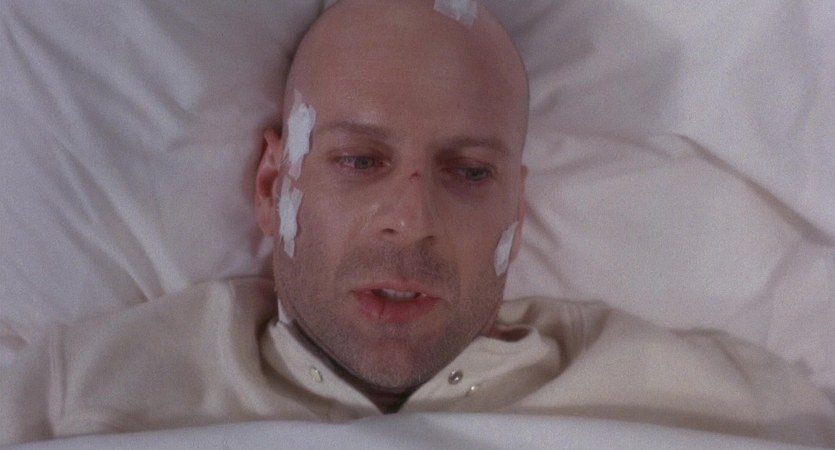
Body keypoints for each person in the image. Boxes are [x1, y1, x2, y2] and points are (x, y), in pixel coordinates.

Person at [1, 0, 834, 446]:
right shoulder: (83, 393)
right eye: (359, 160)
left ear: (515, 212)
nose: (410, 220)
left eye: (467, 173)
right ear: (271, 185)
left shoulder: (728, 408)